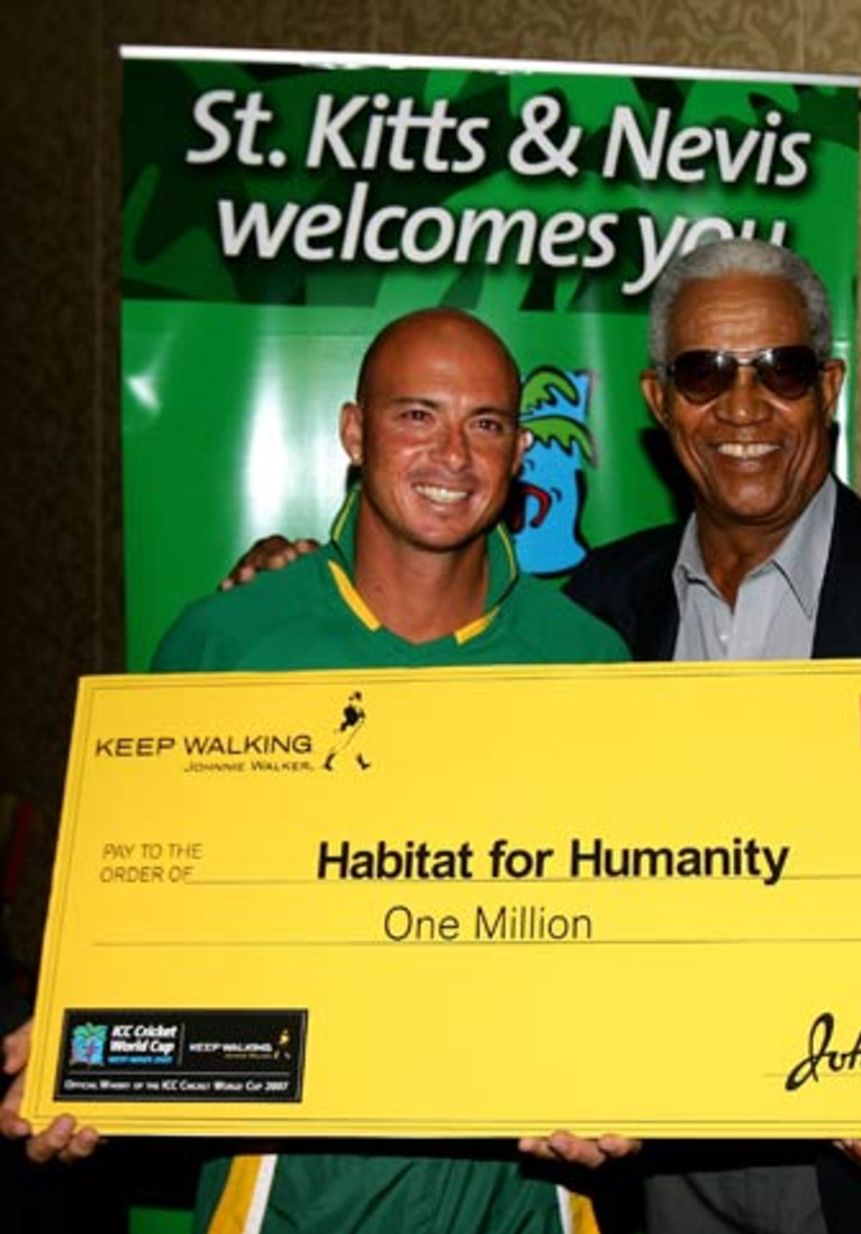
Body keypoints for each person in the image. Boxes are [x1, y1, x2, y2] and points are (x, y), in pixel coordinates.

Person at [216, 239, 861, 1234]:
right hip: (630, 1173)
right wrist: (286, 584)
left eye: (780, 369)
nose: (742, 409)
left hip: (858, 1173)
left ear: (828, 386)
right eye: (704, 372)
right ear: (658, 400)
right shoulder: (581, 616)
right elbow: (416, 683)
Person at [1, 306, 629, 1234]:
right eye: (417, 415)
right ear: (353, 431)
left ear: (518, 449)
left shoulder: (590, 660)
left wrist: (637, 1063)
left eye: (486, 424)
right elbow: (139, 907)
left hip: (527, 1199)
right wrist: (77, 1046)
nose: (453, 455)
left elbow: (636, 929)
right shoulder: (228, 642)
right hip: (284, 1196)